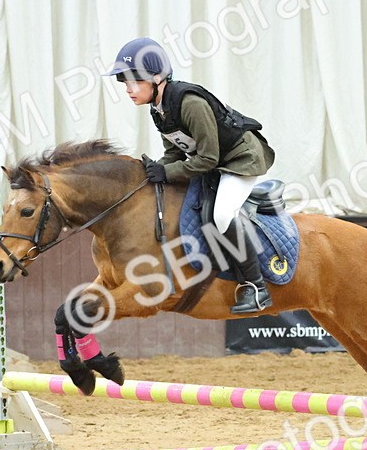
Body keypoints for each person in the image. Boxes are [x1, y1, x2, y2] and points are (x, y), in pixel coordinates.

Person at [104, 37, 276, 313]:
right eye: (124, 83)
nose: (128, 89)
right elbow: (174, 154)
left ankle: (256, 287)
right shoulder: (158, 109)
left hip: (241, 160)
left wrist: (166, 171)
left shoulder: (190, 103)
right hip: (215, 161)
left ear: (157, 78)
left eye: (134, 81)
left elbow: (206, 158)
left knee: (221, 215)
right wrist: (155, 172)